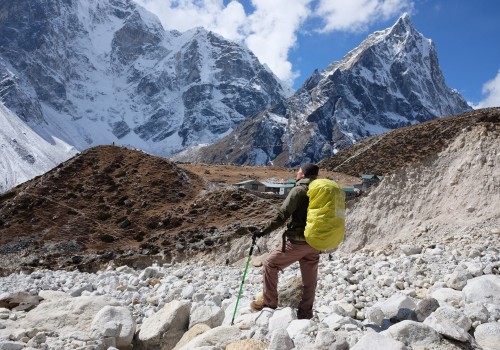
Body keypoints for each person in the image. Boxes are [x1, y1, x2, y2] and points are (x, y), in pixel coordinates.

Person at [250, 163, 320, 319]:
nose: (296, 173)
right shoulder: (321, 191)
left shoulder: (299, 190)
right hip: (316, 242)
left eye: (298, 171)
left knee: (270, 263)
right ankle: (305, 313)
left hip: (298, 241)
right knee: (309, 281)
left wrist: (263, 231)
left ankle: (269, 304)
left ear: (303, 174)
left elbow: (283, 215)